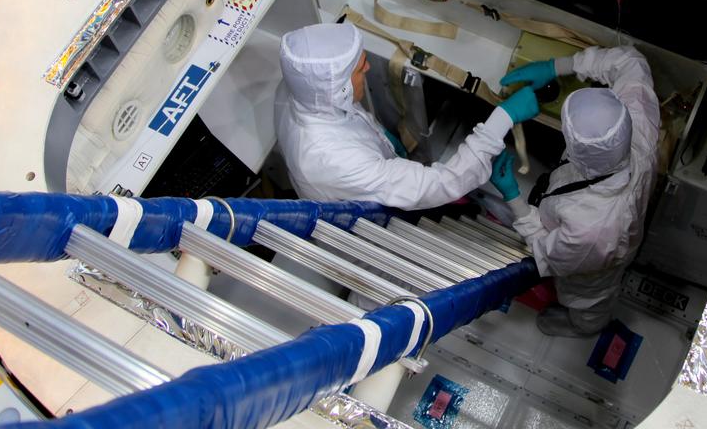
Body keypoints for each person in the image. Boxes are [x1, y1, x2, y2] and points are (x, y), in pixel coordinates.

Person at [276, 21, 539, 209]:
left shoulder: (301, 93)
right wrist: (504, 116)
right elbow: (440, 184)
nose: (368, 66)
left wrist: (384, 141)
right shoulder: (336, 161)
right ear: (336, 89)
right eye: (359, 68)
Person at [490, 46, 660, 337]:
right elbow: (631, 61)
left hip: (597, 264)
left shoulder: (593, 229)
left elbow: (548, 252)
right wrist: (557, 66)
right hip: (613, 225)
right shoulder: (637, 121)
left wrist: (513, 199)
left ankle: (585, 327)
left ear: (577, 152)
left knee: (587, 298)